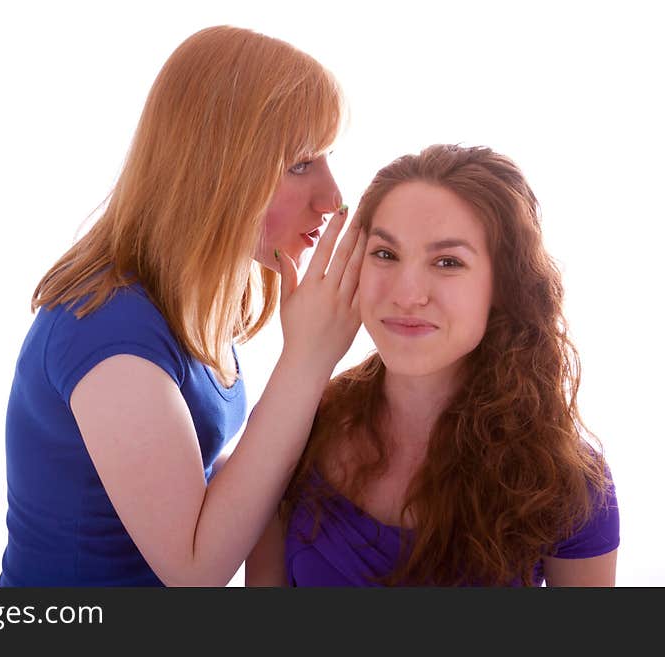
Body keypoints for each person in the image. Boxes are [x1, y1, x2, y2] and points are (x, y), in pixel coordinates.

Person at [0, 25, 367, 587]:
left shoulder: (198, 296)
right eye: (300, 165)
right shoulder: (107, 329)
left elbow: (213, 485)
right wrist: (308, 361)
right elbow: (195, 570)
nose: (331, 196)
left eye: (327, 159)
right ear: (216, 169)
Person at [246, 144, 619, 587]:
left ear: (503, 285)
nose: (407, 294)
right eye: (386, 254)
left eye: (447, 262)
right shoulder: (295, 429)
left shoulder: (568, 480)